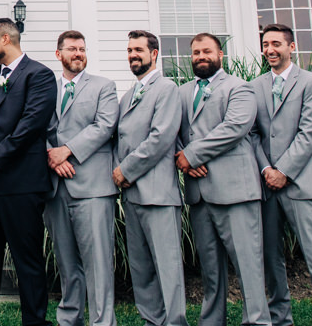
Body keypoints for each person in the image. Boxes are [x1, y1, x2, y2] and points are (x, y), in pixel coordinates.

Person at [0, 18, 57, 326]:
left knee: (27, 259)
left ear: (6, 39)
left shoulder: (40, 75)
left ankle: (34, 321)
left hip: (21, 184)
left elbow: (31, 126)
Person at [175, 32, 270, 326]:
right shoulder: (182, 92)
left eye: (207, 51)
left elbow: (234, 128)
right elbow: (173, 133)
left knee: (247, 264)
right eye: (196, 53)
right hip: (199, 192)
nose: (201, 57)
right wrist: (185, 160)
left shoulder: (239, 88)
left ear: (220, 55)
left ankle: (257, 321)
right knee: (210, 269)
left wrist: (191, 155)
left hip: (235, 190)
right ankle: (212, 321)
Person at [249, 24, 312, 326]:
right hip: (266, 184)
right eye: (265, 44)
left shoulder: (311, 83)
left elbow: (310, 131)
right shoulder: (255, 85)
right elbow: (253, 135)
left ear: (292, 47)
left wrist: (284, 171)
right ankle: (280, 318)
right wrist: (266, 170)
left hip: (301, 183)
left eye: (276, 43)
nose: (270, 49)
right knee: (271, 258)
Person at [44, 29, 119, 326]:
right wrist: (52, 155)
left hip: (93, 187)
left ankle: (103, 321)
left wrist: (67, 151)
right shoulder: (47, 88)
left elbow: (104, 126)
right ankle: (69, 319)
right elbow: (37, 126)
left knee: (98, 262)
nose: (78, 54)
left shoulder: (104, 86)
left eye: (82, 49)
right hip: (55, 186)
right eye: (72, 49)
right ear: (58, 54)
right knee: (66, 261)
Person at [113, 30, 186, 326]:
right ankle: (151, 320)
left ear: (154, 54)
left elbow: (161, 138)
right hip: (131, 196)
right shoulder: (129, 94)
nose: (133, 55)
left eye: (139, 50)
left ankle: (175, 320)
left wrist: (125, 170)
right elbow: (119, 139)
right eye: (130, 50)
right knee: (141, 266)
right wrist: (119, 172)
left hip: (157, 194)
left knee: (167, 266)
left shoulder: (167, 88)